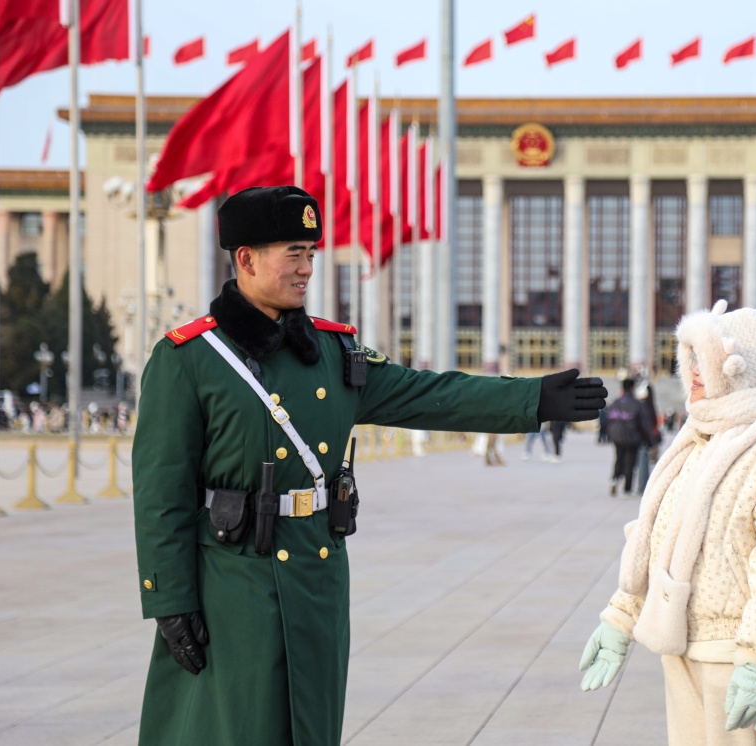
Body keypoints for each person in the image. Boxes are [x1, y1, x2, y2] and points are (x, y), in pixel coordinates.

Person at [130, 185, 608, 746]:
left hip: (317, 575)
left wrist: (531, 399)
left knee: (310, 726)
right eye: (293, 253)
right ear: (246, 258)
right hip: (232, 581)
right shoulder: (191, 359)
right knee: (237, 727)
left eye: (311, 252)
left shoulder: (332, 352)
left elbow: (426, 394)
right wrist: (169, 598)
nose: (307, 268)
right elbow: (161, 492)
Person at [579, 301, 756, 745]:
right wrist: (622, 614)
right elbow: (660, 539)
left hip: (738, 660)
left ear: (740, 368)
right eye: (691, 357)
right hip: (684, 648)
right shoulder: (697, 441)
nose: (694, 371)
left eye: (706, 359)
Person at [604, 378, 652, 496]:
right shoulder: (637, 404)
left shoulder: (615, 402)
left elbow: (607, 419)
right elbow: (644, 424)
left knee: (619, 458)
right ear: (633, 388)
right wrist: (650, 440)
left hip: (617, 436)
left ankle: (614, 480)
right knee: (630, 462)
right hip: (632, 436)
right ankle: (627, 488)